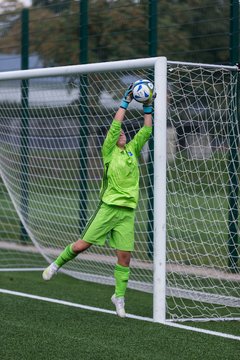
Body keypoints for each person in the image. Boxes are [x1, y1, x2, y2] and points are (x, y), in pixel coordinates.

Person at [42, 83, 154, 318]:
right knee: (83, 245)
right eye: (119, 133)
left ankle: (119, 297)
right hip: (108, 208)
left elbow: (146, 131)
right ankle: (56, 264)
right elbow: (115, 125)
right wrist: (125, 101)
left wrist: (148, 106)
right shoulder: (108, 151)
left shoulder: (132, 149)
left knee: (125, 257)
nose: (122, 133)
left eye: (124, 132)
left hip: (127, 212)